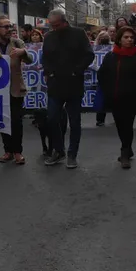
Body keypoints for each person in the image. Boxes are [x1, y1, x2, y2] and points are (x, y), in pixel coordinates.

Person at [41, 9, 95, 169]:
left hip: (73, 84)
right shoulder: (49, 37)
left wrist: (76, 70)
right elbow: (45, 57)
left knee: (75, 122)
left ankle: (72, 154)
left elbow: (89, 55)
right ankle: (59, 150)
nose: (54, 28)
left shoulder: (79, 34)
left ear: (65, 21)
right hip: (55, 84)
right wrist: (48, 72)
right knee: (51, 119)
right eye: (51, 25)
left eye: (57, 25)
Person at [0, 15, 32, 164]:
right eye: (5, 27)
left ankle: (18, 152)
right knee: (2, 121)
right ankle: (7, 150)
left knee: (16, 121)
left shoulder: (17, 42)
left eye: (10, 26)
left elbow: (30, 60)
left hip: (15, 89)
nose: (9, 29)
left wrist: (23, 53)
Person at [99, 26, 136, 169]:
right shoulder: (111, 56)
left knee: (127, 124)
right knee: (120, 124)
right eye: (126, 37)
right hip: (114, 98)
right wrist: (107, 90)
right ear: (119, 39)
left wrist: (134, 89)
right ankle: (128, 147)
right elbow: (102, 75)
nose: (129, 40)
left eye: (131, 37)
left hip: (131, 98)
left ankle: (125, 153)